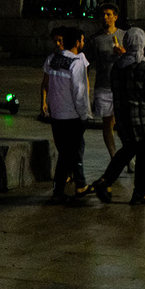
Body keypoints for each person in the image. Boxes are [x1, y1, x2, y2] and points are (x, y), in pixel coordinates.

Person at [88, 28, 145, 205]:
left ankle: (105, 181)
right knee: (144, 155)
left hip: (122, 117)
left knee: (127, 150)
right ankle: (140, 192)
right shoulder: (144, 67)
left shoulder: (117, 67)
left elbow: (114, 88)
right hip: (142, 120)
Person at [43, 27, 92, 204]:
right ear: (77, 42)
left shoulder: (53, 59)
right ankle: (61, 191)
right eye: (82, 40)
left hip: (56, 114)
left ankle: (79, 184)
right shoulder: (76, 62)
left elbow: (49, 85)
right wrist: (84, 114)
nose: (83, 43)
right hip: (71, 115)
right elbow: (79, 92)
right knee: (68, 155)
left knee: (66, 152)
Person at [87, 4, 124, 165]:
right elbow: (86, 64)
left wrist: (122, 53)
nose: (105, 18)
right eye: (103, 15)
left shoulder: (123, 36)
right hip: (103, 85)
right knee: (107, 122)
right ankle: (114, 155)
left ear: (115, 17)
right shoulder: (95, 40)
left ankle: (126, 155)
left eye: (109, 14)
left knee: (121, 121)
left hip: (121, 85)